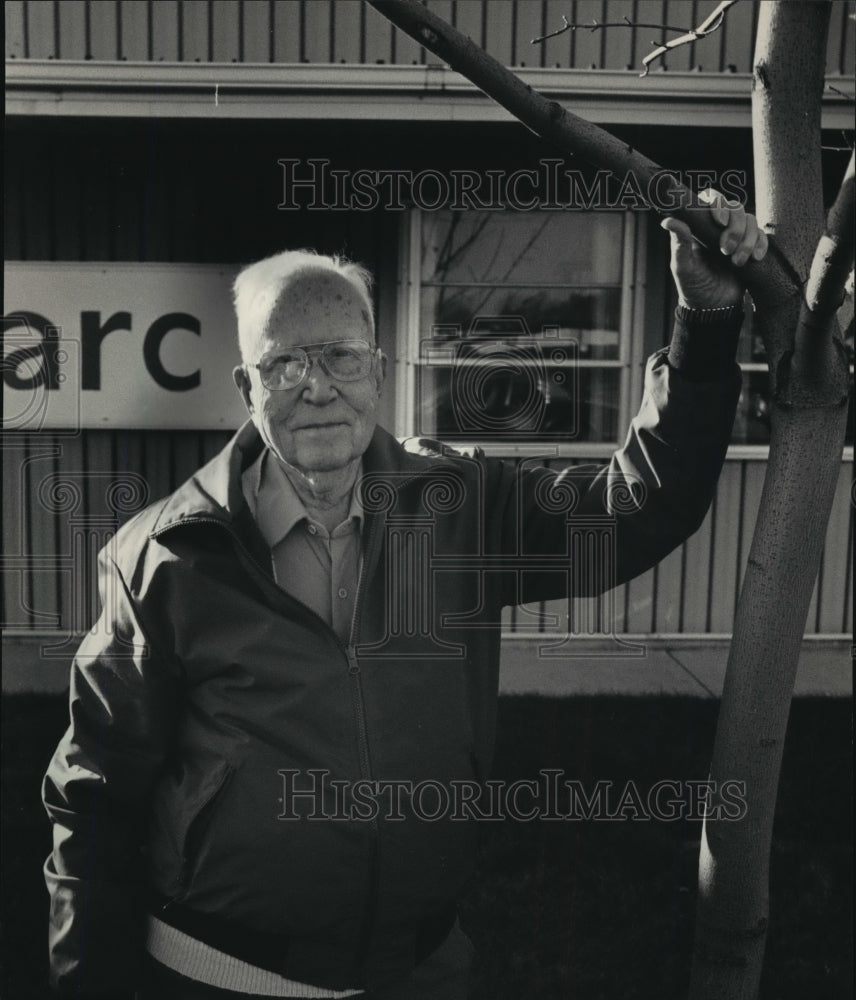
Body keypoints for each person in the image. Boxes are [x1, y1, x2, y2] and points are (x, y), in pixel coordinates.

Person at [43, 195, 767, 1000]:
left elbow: (637, 512)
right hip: (219, 975)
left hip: (419, 973)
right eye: (285, 365)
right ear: (247, 384)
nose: (316, 387)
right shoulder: (160, 556)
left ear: (378, 371)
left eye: (342, 357)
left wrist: (704, 322)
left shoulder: (461, 507)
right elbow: (93, 801)